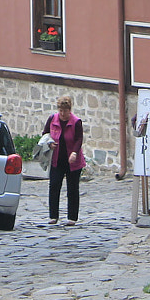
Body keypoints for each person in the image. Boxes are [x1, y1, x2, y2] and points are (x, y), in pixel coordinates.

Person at [42, 94, 84, 225]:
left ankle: (72, 218)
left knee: (72, 189)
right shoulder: (52, 119)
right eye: (60, 110)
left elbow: (79, 139)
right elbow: (45, 134)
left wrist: (75, 152)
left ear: (69, 110)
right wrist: (49, 143)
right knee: (54, 186)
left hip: (73, 161)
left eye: (65, 111)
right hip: (57, 159)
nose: (62, 113)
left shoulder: (76, 122)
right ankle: (53, 216)